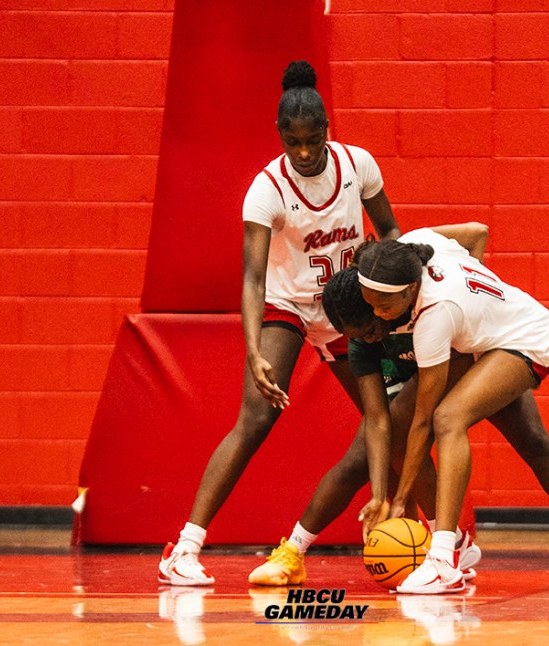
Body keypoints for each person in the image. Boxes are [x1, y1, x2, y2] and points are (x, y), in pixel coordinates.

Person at [158, 60, 400, 586]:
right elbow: (251, 278)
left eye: (314, 139)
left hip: (345, 310)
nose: (306, 152)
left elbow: (392, 233)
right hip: (287, 306)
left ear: (327, 131)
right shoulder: (266, 188)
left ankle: (447, 542)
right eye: (295, 143)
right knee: (256, 419)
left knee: (393, 420)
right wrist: (252, 350)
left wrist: (383, 293)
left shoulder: (358, 166)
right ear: (280, 137)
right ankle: (183, 549)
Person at [356, 228, 549, 594]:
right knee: (528, 440)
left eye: (384, 306)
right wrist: (481, 298)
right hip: (484, 341)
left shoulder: (434, 314)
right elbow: (476, 232)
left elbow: (425, 421)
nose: (377, 314)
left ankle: (443, 560)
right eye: (370, 303)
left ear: (410, 289)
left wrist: (399, 502)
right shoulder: (414, 245)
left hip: (527, 337)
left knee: (447, 418)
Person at [247, 224, 490, 587]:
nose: (367, 339)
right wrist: (378, 497)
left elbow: (475, 231)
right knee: (361, 458)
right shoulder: (361, 338)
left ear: (379, 305)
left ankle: (450, 542)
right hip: (406, 385)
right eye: (355, 337)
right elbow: (376, 419)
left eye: (369, 330)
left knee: (523, 435)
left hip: (458, 361)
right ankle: (293, 552)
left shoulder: (407, 290)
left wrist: (477, 289)